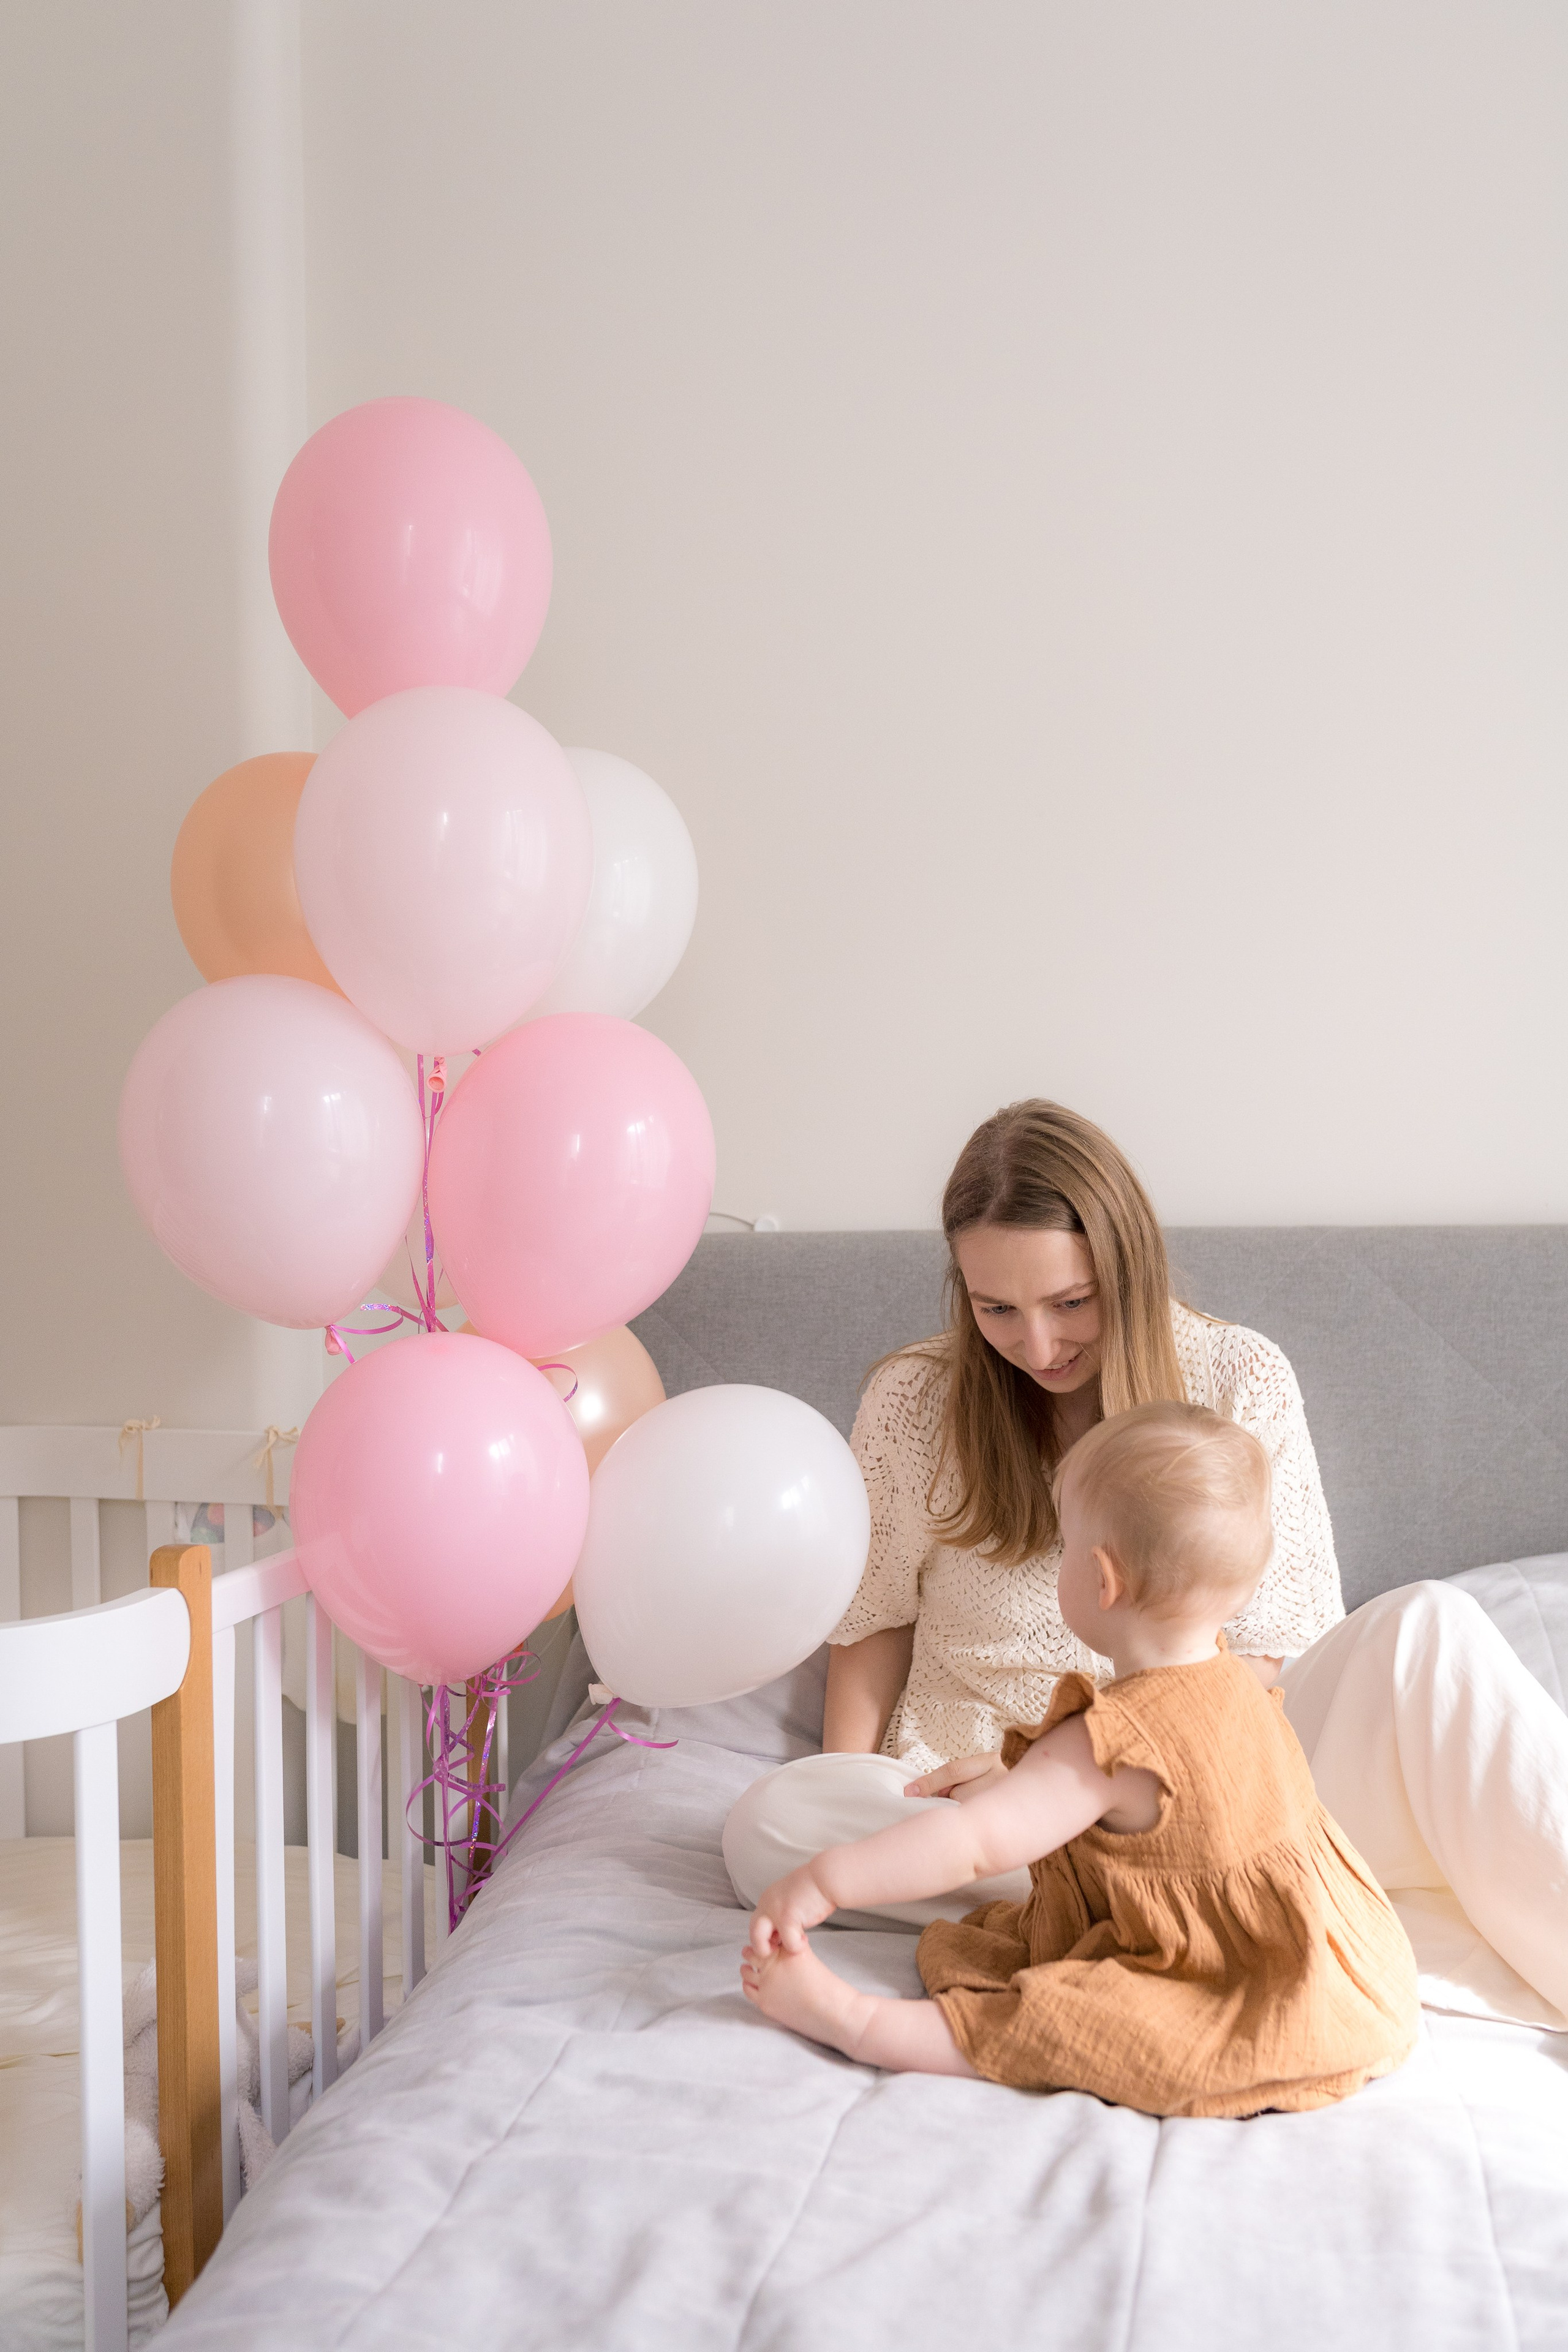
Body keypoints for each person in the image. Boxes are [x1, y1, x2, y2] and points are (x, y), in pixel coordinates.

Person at [723, 1101, 1568, 2022]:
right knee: (772, 1825)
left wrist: (1066, 1775)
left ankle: (1171, 1901)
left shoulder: (1239, 1374)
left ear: (1126, 1263)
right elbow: (872, 1625)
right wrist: (861, 1782)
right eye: (996, 1307)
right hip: (978, 1805)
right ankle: (1197, 1911)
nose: (1037, 1346)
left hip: (1215, 1778)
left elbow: (1272, 1652)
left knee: (1428, 1632)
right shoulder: (914, 1400)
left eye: (1070, 1302)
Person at [741, 1402, 1420, 2115]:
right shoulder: (1235, 1682)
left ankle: (855, 2021)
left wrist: (826, 1881)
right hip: (1331, 1965)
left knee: (1064, 2018)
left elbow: (972, 1846)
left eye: (1063, 1549)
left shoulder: (1108, 1738)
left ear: (1101, 1581)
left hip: (1225, 1982)